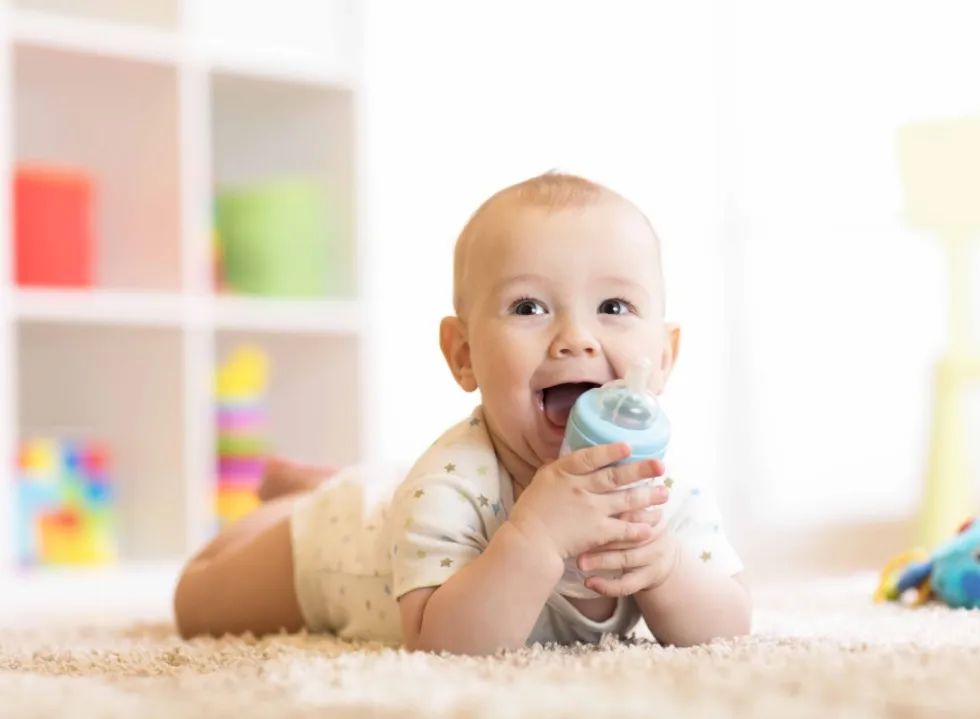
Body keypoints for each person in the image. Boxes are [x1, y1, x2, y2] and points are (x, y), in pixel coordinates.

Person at [174, 172, 750, 655]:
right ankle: (315, 496)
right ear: (463, 354)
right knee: (198, 602)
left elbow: (729, 626)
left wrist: (668, 566)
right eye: (529, 307)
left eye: (614, 306)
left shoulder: (663, 493)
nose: (576, 337)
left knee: (392, 492)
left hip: (402, 506)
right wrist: (535, 537)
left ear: (664, 357)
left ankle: (341, 479)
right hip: (348, 542)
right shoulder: (451, 484)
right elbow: (440, 644)